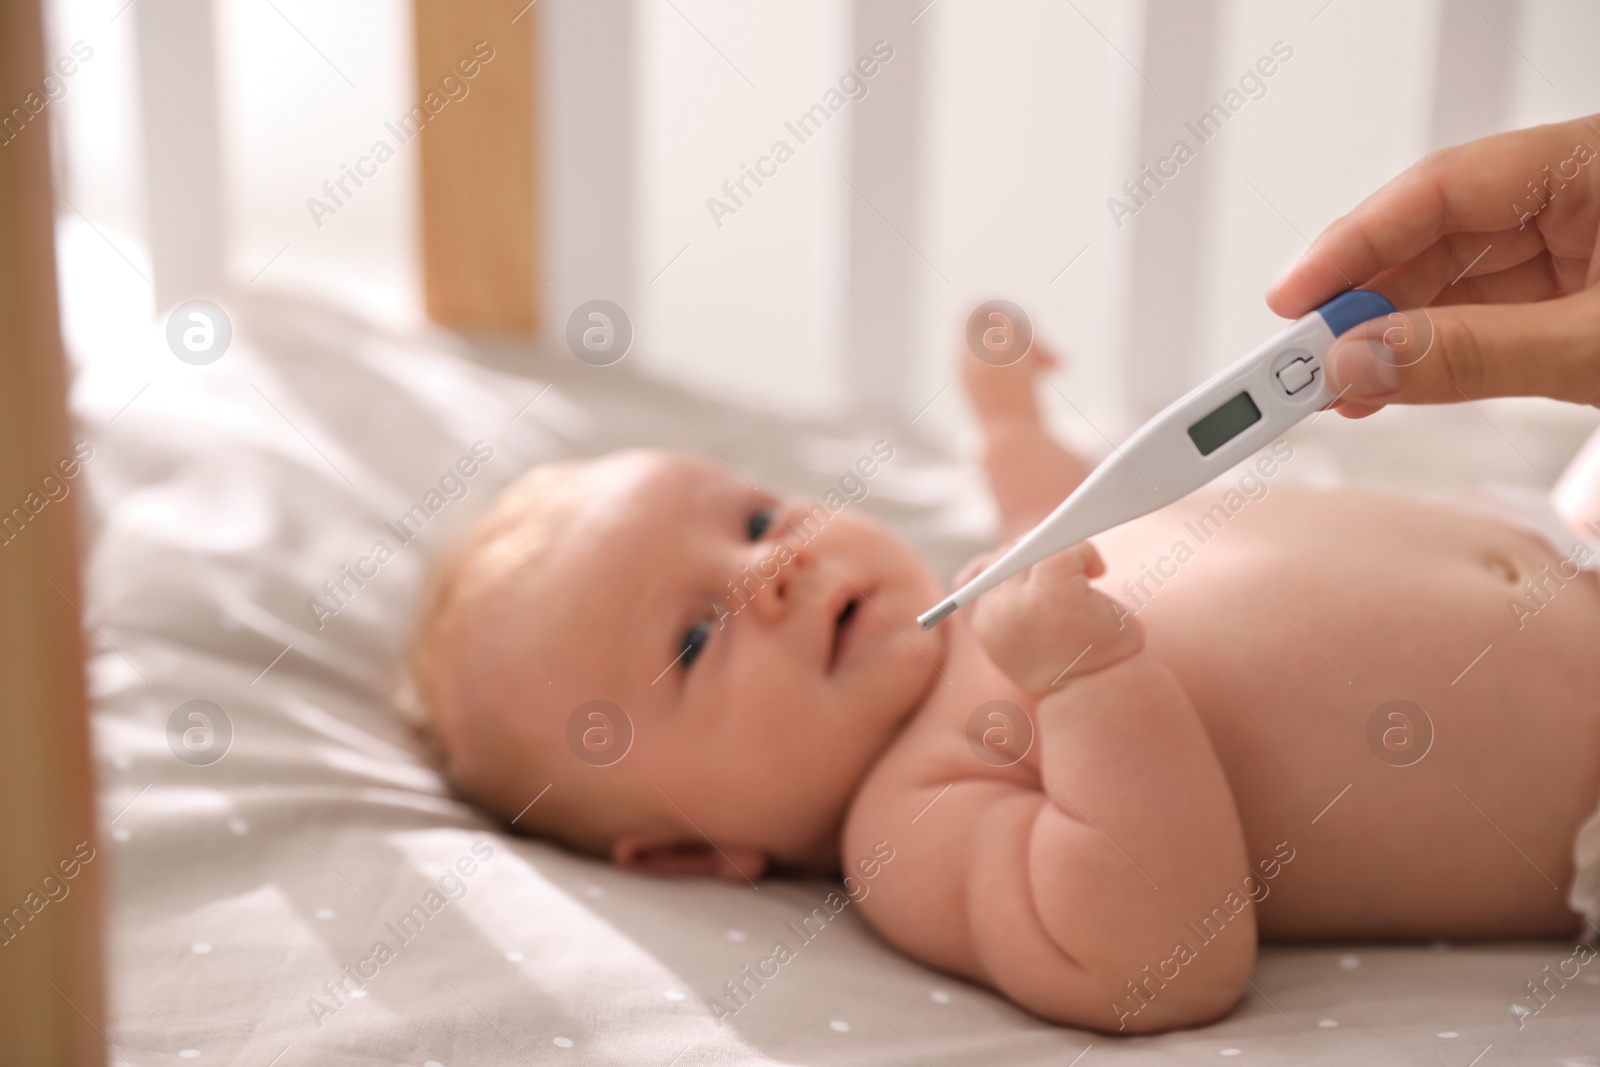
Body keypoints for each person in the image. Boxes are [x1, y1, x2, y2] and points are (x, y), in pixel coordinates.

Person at [407, 328, 1600, 1034]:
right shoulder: (909, 821)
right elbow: (1158, 958)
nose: (769, 569)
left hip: (1564, 531)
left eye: (759, 516)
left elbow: (1077, 511)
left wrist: (1006, 417)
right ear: (682, 852)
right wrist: (1086, 679)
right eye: (690, 642)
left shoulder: (985, 589)